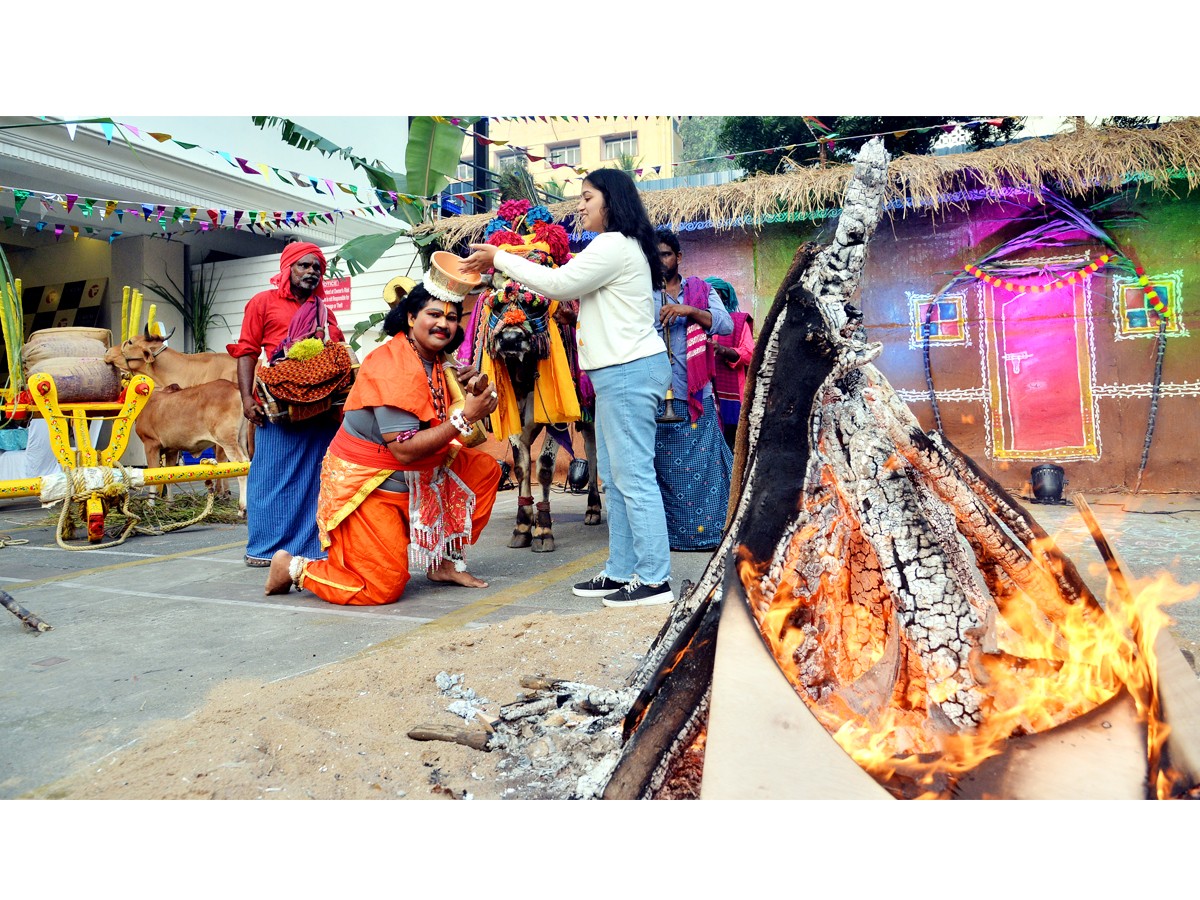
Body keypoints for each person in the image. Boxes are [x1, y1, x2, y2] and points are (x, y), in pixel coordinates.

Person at [461, 168, 674, 608]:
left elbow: (559, 284)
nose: (580, 205)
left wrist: (499, 258)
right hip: (621, 372)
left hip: (629, 371)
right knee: (615, 481)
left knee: (633, 478)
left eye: (587, 197)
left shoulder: (614, 244)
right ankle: (620, 571)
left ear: (611, 202)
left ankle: (655, 579)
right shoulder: (621, 246)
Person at [264, 281, 501, 604]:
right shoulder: (394, 365)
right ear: (409, 318)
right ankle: (293, 567)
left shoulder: (439, 360)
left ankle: (443, 561)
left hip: (420, 478)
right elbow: (404, 451)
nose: (444, 324)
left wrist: (472, 393)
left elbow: (460, 431)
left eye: (452, 317)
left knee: (482, 470)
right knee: (381, 588)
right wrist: (465, 416)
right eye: (434, 314)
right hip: (373, 485)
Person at [228, 241, 346, 567]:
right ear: (288, 268)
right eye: (303, 266)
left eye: (316, 268)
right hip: (279, 406)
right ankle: (265, 550)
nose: (311, 272)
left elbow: (338, 351)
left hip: (320, 410)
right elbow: (247, 352)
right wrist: (246, 398)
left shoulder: (324, 310)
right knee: (269, 477)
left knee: (314, 478)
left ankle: (310, 548)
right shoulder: (262, 303)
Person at [652, 229, 733, 551]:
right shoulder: (641, 294)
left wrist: (690, 312)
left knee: (705, 470)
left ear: (678, 257)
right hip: (656, 396)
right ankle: (671, 538)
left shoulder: (700, 290)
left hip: (695, 395)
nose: (660, 261)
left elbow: (725, 325)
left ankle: (708, 536)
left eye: (666, 254)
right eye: (653, 256)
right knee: (665, 471)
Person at [705, 276, 755, 450]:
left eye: (715, 294)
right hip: (706, 393)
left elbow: (749, 354)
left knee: (734, 443)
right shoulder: (697, 321)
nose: (711, 299)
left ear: (724, 297)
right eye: (706, 295)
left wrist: (723, 350)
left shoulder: (739, 322)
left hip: (733, 395)